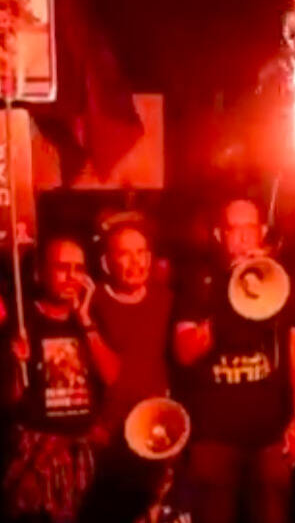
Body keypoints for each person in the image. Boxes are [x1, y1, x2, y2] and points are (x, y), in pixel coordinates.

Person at [173, 197, 295, 523]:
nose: (242, 237)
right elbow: (184, 352)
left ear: (262, 231)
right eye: (233, 229)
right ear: (220, 235)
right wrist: (229, 302)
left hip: (270, 437)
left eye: (249, 228)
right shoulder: (200, 284)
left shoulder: (285, 283)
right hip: (214, 438)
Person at [4, 236, 118, 522]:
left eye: (78, 269)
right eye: (62, 268)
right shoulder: (21, 320)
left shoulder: (89, 318)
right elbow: (10, 399)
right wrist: (15, 364)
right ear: (40, 273)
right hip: (38, 456)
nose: (72, 277)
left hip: (84, 455)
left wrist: (86, 321)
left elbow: (112, 374)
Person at [78, 212, 175, 523]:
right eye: (124, 253)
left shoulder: (167, 300)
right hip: (110, 437)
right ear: (107, 262)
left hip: (157, 433)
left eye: (141, 252)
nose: (136, 262)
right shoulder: (93, 303)